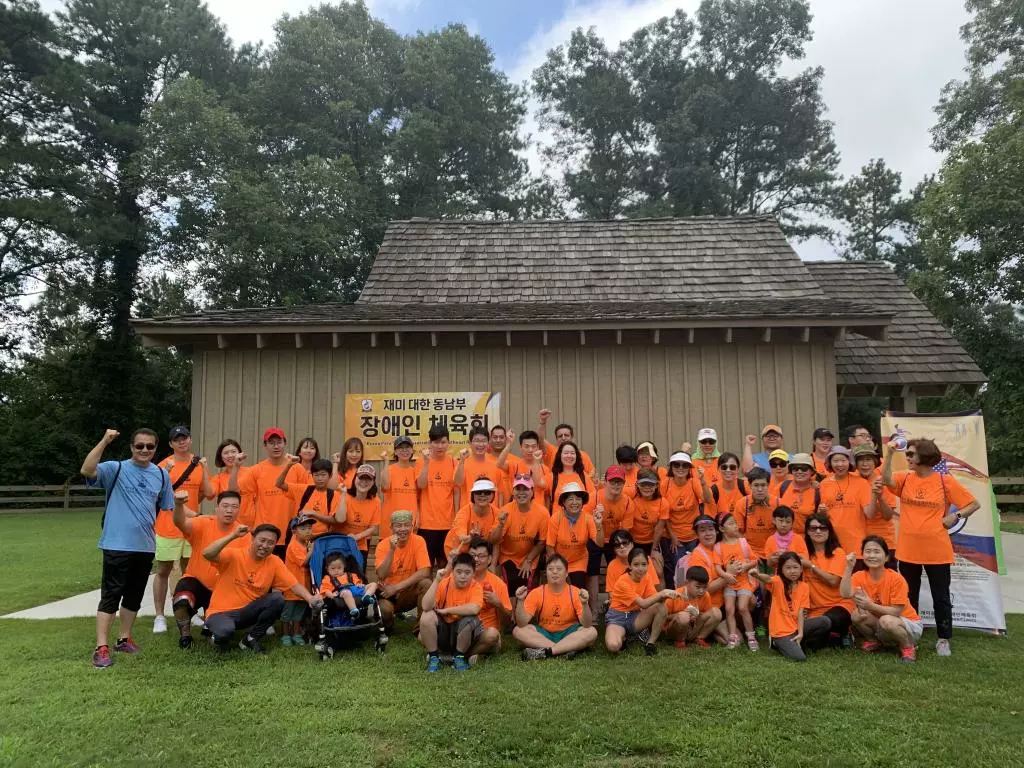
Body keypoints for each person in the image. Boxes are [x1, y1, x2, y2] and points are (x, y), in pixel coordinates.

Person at [82, 428, 174, 668]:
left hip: (144, 547)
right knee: (111, 596)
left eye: (150, 446)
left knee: (133, 596)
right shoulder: (116, 468)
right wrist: (104, 440)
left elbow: (168, 507)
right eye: (139, 446)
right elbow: (87, 470)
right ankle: (101, 647)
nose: (144, 450)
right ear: (132, 447)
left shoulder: (162, 476)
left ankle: (123, 639)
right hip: (116, 544)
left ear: (156, 449)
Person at [883, 437, 979, 657]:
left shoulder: (945, 481)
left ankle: (943, 639)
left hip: (937, 550)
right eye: (906, 454)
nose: (907, 458)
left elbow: (974, 503)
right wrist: (889, 454)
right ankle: (910, 636)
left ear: (925, 457)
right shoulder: (905, 478)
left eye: (911, 454)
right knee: (908, 596)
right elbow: (887, 480)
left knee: (941, 596)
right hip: (907, 549)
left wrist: (955, 515)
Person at [203, 523, 323, 654]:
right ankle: (212, 633)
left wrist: (310, 598)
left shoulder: (275, 562)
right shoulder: (235, 555)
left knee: (277, 599)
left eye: (271, 543)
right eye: (262, 540)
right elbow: (207, 553)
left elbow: (293, 584)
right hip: (221, 612)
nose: (265, 546)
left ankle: (250, 638)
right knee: (224, 633)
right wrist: (232, 536)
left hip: (247, 613)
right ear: (252, 539)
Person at [170, 489, 250, 649]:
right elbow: (181, 523)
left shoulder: (244, 534)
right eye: (225, 506)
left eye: (234, 507)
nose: (229, 510)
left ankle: (210, 626)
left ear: (239, 510)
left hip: (223, 590)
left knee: (218, 641)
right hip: (196, 581)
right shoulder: (204, 522)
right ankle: (185, 636)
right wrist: (178, 505)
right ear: (217, 508)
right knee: (182, 600)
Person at [153, 425, 213, 634]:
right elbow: (160, 496)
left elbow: (208, 492)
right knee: (163, 571)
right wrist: (189, 512)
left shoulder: (198, 464)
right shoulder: (163, 465)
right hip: (167, 526)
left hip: (191, 528)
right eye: (176, 439)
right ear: (171, 444)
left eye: (184, 437)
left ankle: (191, 611)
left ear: (190, 440)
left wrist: (193, 510)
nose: (181, 442)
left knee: (191, 571)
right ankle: (160, 615)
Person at [840, 536, 923, 663]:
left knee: (887, 620)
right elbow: (844, 594)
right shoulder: (859, 576)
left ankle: (908, 647)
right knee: (857, 615)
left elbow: (896, 612)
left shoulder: (896, 579)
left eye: (877, 551)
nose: (872, 555)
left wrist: (870, 606)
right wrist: (848, 568)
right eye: (868, 551)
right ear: (862, 555)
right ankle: (874, 642)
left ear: (886, 557)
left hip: (907, 623)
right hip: (881, 622)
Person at [229, 427, 307, 558]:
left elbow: (308, 496)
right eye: (271, 443)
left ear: (285, 443)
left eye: (279, 442)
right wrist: (236, 466)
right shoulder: (257, 470)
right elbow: (233, 491)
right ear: (265, 446)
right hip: (265, 535)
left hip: (292, 533)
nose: (276, 446)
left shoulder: (297, 468)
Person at [513, 554, 598, 661]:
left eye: (559, 569)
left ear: (566, 573)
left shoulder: (576, 592)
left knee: (591, 631)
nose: (554, 572)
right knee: (518, 631)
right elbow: (521, 623)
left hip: (569, 633)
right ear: (546, 573)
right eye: (550, 569)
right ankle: (564, 650)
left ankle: (548, 652)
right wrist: (520, 601)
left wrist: (585, 604)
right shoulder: (537, 592)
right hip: (544, 634)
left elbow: (587, 624)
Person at [748, 551, 830, 661]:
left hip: (795, 627)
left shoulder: (804, 586)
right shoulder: (778, 581)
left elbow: (801, 612)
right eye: (788, 568)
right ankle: (776, 643)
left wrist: (801, 633)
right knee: (800, 658)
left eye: (796, 567)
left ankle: (798, 641)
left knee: (825, 621)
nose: (792, 571)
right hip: (780, 631)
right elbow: (767, 578)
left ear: (801, 569)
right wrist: (757, 575)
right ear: (781, 570)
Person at [605, 546, 679, 656]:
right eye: (636, 565)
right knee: (613, 646)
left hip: (635, 616)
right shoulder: (623, 581)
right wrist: (662, 593)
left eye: (644, 564)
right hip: (617, 617)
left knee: (661, 607)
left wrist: (667, 596)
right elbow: (643, 604)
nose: (640, 568)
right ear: (630, 566)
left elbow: (654, 600)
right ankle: (626, 637)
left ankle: (650, 644)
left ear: (648, 565)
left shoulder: (647, 577)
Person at [418, 553, 483, 672]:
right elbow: (425, 606)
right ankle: (434, 658)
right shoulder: (444, 583)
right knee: (426, 615)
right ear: (452, 571)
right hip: (444, 631)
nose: (463, 576)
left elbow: (474, 609)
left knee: (469, 618)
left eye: (467, 573)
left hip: (463, 633)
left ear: (474, 574)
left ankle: (459, 657)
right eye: (458, 572)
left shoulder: (476, 586)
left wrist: (448, 610)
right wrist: (436, 581)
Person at [802, 512, 853, 647]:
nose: (818, 531)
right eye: (813, 528)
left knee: (831, 619)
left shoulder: (838, 553)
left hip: (839, 605)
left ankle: (843, 632)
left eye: (823, 528)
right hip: (814, 610)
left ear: (829, 531)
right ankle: (834, 637)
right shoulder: (803, 553)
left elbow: (833, 581)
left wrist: (811, 566)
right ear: (807, 532)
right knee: (811, 643)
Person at [658, 454, 711, 587]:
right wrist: (672, 536)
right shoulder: (665, 485)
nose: (680, 468)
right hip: (674, 537)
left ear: (689, 468)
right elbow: (664, 514)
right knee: (679, 568)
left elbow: (707, 499)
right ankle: (680, 597)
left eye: (684, 465)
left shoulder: (694, 482)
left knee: (693, 567)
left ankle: (694, 596)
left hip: (693, 536)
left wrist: (703, 482)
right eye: (676, 465)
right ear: (671, 467)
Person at [817, 446, 876, 561]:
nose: (840, 464)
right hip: (831, 543)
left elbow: (869, 514)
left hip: (856, 544)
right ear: (830, 463)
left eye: (843, 460)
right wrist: (821, 512)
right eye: (835, 461)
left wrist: (875, 494)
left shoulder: (862, 483)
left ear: (849, 462)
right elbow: (823, 517)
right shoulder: (824, 484)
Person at [678, 515, 729, 645]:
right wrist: (729, 575)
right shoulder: (698, 555)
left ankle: (711, 631)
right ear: (696, 534)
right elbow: (706, 588)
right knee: (728, 640)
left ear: (717, 531)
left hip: (723, 603)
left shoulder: (720, 548)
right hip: (705, 609)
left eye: (711, 529)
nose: (708, 533)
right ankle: (699, 634)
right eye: (702, 530)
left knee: (735, 641)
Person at [497, 474, 549, 602]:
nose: (521, 493)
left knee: (527, 583)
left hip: (529, 555)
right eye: (518, 489)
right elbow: (495, 541)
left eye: (525, 489)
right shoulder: (506, 511)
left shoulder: (542, 512)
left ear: (532, 492)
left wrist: (529, 560)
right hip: (508, 556)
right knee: (512, 580)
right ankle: (512, 616)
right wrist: (500, 525)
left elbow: (542, 541)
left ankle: (526, 615)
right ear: (513, 492)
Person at [714, 512, 759, 651]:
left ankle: (751, 637)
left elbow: (755, 560)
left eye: (735, 522)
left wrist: (746, 566)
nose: (735, 526)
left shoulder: (743, 543)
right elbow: (717, 567)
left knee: (743, 607)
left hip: (744, 582)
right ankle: (732, 637)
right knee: (729, 609)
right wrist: (726, 575)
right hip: (730, 584)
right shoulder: (718, 547)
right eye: (731, 523)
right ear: (722, 529)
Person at [464, 537, 512, 664]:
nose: (476, 560)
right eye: (472, 555)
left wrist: (498, 604)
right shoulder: (459, 578)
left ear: (490, 559)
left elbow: (508, 621)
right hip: (461, 630)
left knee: (492, 635)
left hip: (485, 632)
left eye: (481, 556)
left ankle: (456, 656)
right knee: (423, 636)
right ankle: (475, 654)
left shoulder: (498, 583)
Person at [547, 483, 604, 588]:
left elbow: (599, 543)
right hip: (559, 560)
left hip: (579, 560)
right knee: (560, 589)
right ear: (563, 502)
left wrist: (599, 525)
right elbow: (550, 546)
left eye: (578, 499)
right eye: (570, 499)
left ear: (582, 502)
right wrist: (557, 566)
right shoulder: (556, 519)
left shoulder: (588, 518)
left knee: (577, 587)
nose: (575, 503)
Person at [417, 425, 458, 568]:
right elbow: (421, 485)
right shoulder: (421, 461)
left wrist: (456, 518)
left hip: (448, 525)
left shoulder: (454, 462)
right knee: (425, 568)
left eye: (443, 442)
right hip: (426, 524)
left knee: (445, 568)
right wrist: (427, 463)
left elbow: (456, 491)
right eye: (436, 442)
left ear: (448, 443)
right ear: (429, 443)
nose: (439, 446)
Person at [276, 456, 342, 537]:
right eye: (316, 475)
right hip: (300, 538)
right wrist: (289, 465)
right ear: (312, 475)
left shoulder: (335, 495)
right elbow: (279, 484)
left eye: (323, 475)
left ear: (330, 475)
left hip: (321, 538)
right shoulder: (304, 489)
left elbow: (335, 520)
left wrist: (314, 514)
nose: (319, 478)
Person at [853, 446, 897, 565]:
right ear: (855, 464)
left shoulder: (883, 481)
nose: (865, 464)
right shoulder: (850, 480)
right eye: (861, 460)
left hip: (884, 541)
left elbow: (888, 516)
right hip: (857, 543)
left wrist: (880, 496)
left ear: (875, 463)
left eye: (868, 460)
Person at [663, 566, 720, 648]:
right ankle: (680, 641)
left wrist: (696, 616)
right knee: (684, 616)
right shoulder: (675, 595)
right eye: (698, 587)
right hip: (674, 630)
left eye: (704, 587)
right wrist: (679, 615)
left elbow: (705, 614)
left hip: (693, 627)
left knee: (716, 612)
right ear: (687, 583)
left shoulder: (705, 595)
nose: (701, 591)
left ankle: (699, 638)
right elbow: (663, 617)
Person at [281, 515, 316, 644]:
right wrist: (312, 551)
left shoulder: (306, 543)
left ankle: (296, 634)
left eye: (309, 528)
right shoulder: (293, 545)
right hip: (293, 586)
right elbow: (304, 562)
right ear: (294, 531)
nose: (308, 531)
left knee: (298, 613)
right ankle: (285, 634)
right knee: (288, 612)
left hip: (304, 586)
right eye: (303, 528)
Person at [444, 479, 502, 554]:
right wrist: (467, 537)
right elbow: (460, 531)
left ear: (493, 495)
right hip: (457, 551)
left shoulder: (497, 513)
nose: (482, 495)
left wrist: (501, 525)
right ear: (473, 495)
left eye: (487, 492)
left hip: (480, 553)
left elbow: (495, 541)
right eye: (478, 492)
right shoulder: (464, 512)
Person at [496, 429, 552, 506]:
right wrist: (509, 444)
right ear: (521, 447)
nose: (530, 450)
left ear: (538, 447)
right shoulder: (515, 465)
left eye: (533, 446)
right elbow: (499, 463)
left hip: (538, 512)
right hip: (517, 510)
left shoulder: (544, 469)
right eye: (526, 446)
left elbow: (540, 485)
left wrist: (536, 462)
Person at [335, 464, 381, 556]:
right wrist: (343, 494)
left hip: (359, 545)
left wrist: (355, 537)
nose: (364, 482)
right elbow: (339, 519)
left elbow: (373, 527)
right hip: (339, 542)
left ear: (373, 482)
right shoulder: (342, 495)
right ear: (355, 479)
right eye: (361, 478)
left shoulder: (376, 501)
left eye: (368, 479)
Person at [379, 436, 421, 538]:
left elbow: (418, 499)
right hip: (391, 524)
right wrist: (386, 462)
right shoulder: (388, 469)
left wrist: (418, 517)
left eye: (407, 447)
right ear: (395, 452)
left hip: (408, 524)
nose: (404, 450)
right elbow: (385, 486)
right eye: (400, 448)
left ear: (412, 451)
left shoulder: (415, 471)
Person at [209, 439, 255, 527]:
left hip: (250, 525)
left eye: (233, 452)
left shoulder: (251, 472)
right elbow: (231, 493)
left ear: (240, 453)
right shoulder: (217, 478)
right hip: (227, 525)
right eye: (226, 453)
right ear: (221, 457)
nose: (230, 455)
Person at [319, 552, 378, 621]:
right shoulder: (328, 578)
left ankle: (366, 597)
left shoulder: (351, 575)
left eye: (339, 568)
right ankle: (354, 610)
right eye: (333, 568)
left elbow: (358, 583)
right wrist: (331, 595)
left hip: (355, 590)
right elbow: (325, 590)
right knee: (347, 592)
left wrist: (360, 584)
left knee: (374, 584)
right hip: (342, 592)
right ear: (327, 569)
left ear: (344, 567)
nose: (336, 571)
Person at [455, 427, 506, 507]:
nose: (480, 444)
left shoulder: (496, 465)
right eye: (477, 441)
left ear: (488, 442)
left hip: (491, 515)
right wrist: (461, 461)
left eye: (483, 441)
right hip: (469, 514)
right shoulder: (462, 463)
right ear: (470, 442)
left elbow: (500, 493)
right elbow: (458, 483)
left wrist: (500, 512)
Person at [734, 468, 778, 559]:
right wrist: (749, 552)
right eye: (756, 485)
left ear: (768, 485)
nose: (760, 489)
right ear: (750, 485)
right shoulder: (741, 504)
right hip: (750, 552)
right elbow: (738, 532)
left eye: (763, 485)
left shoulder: (778, 503)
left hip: (774, 551)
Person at [537, 409, 595, 476]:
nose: (563, 438)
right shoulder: (552, 452)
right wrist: (542, 422)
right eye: (560, 436)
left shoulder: (583, 455)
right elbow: (540, 440)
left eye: (566, 435)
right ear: (556, 439)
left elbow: (591, 476)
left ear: (572, 437)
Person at [777, 453, 819, 533]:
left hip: (808, 541)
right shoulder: (782, 486)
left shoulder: (818, 491)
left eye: (804, 468)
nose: (799, 472)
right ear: (791, 471)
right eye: (795, 468)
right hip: (784, 540)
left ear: (812, 471)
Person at [550, 441, 597, 512]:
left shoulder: (583, 476)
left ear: (576, 456)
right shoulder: (552, 477)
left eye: (572, 453)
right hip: (558, 521)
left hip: (580, 520)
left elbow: (593, 498)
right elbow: (539, 484)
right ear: (560, 455)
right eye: (566, 453)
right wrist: (536, 461)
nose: (569, 455)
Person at [707, 452, 747, 522]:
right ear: (718, 469)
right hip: (723, 530)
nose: (728, 470)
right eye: (724, 467)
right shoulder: (713, 491)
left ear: (737, 470)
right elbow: (711, 519)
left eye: (732, 467)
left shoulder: (745, 486)